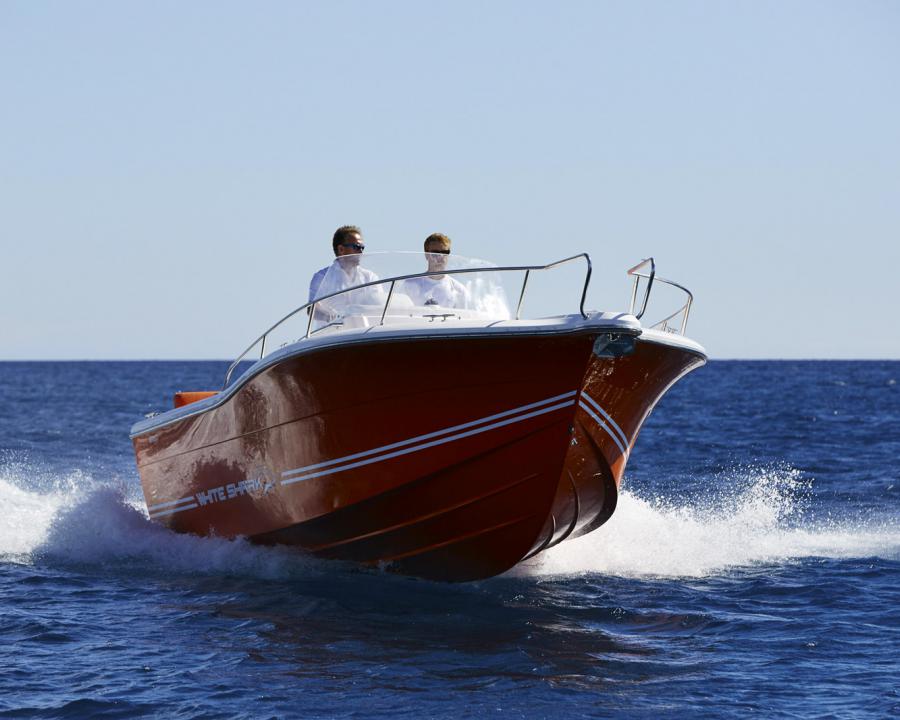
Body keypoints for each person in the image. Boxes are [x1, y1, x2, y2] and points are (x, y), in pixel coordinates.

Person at [308, 226, 384, 317]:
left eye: (362, 248)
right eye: (356, 247)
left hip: (363, 325)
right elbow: (312, 309)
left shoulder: (370, 277)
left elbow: (380, 306)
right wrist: (334, 318)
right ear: (341, 249)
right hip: (334, 326)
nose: (361, 252)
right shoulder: (322, 277)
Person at [401, 233, 470, 309]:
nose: (440, 257)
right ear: (426, 255)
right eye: (435, 253)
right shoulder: (409, 285)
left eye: (444, 253)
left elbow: (462, 316)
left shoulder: (459, 290)